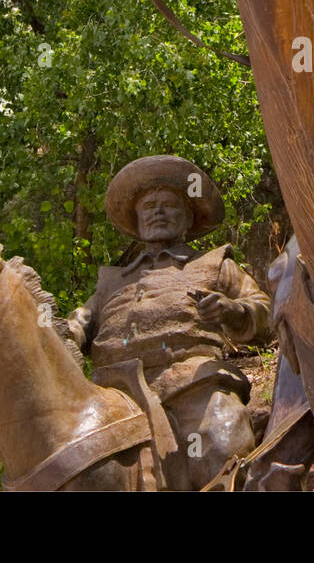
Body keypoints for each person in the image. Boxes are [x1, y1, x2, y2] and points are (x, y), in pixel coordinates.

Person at [68, 155, 272, 489]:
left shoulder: (215, 264)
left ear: (190, 217)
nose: (157, 211)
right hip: (113, 393)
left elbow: (262, 309)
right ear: (136, 219)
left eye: (168, 204)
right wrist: (68, 330)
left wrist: (231, 311)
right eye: (148, 206)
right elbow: (81, 319)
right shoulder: (112, 281)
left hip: (193, 386)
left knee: (219, 441)